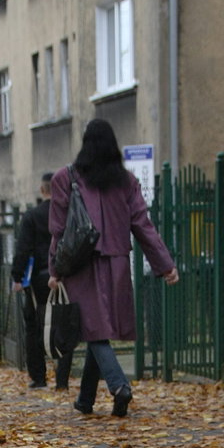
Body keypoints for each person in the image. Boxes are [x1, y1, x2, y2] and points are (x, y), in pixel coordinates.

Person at [48, 119, 179, 417]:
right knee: (99, 327)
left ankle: (119, 386)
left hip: (81, 263)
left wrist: (54, 270)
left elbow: (57, 229)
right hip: (118, 262)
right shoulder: (127, 182)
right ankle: (85, 400)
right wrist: (165, 265)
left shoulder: (65, 178)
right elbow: (143, 226)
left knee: (93, 329)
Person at [11, 173, 73, 391]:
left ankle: (39, 376)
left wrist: (17, 277)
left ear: (42, 190)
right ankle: (62, 379)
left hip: (38, 277)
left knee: (35, 324)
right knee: (65, 323)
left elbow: (23, 248)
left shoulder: (32, 217)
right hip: (65, 275)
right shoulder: (68, 214)